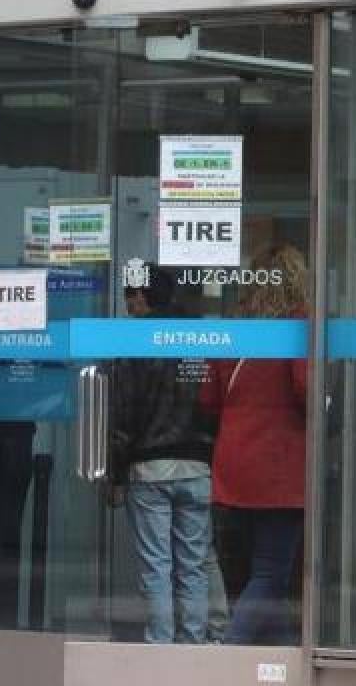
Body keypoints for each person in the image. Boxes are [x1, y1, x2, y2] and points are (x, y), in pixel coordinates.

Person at [200, 244, 309, 645]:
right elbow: (307, 389)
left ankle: (283, 660)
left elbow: (207, 398)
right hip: (278, 466)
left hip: (234, 466)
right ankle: (228, 656)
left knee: (260, 574)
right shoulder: (298, 324)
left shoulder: (234, 326)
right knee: (270, 574)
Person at [110, 265, 217, 643]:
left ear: (143, 296)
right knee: (193, 567)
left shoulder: (135, 342)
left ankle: (161, 648)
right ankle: (192, 647)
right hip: (197, 465)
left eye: (129, 295)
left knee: (157, 568)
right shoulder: (200, 337)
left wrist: (115, 473)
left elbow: (123, 412)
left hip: (150, 466)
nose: (128, 305)